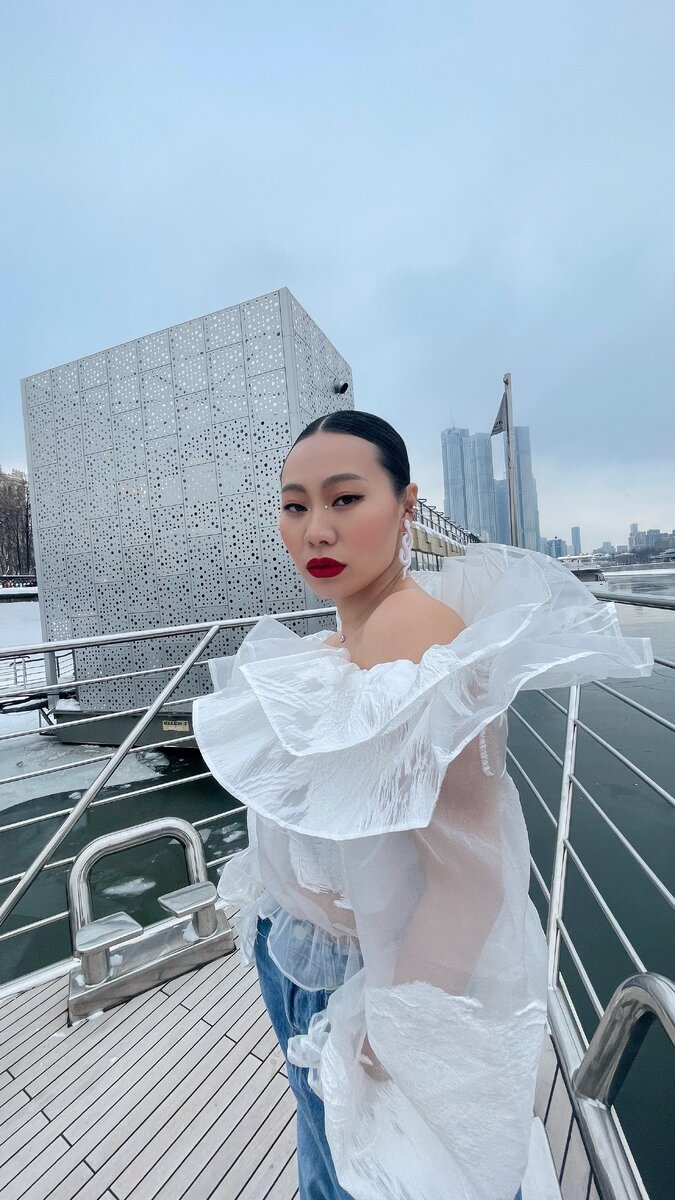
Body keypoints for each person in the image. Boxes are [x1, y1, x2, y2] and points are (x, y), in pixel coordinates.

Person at [193, 410, 653, 1200]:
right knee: (331, 1160)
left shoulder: (409, 632)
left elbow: (470, 871)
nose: (315, 529)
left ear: (406, 505)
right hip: (326, 964)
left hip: (366, 983)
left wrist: (386, 1031)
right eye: (295, 505)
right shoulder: (366, 625)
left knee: (356, 1174)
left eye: (344, 499)